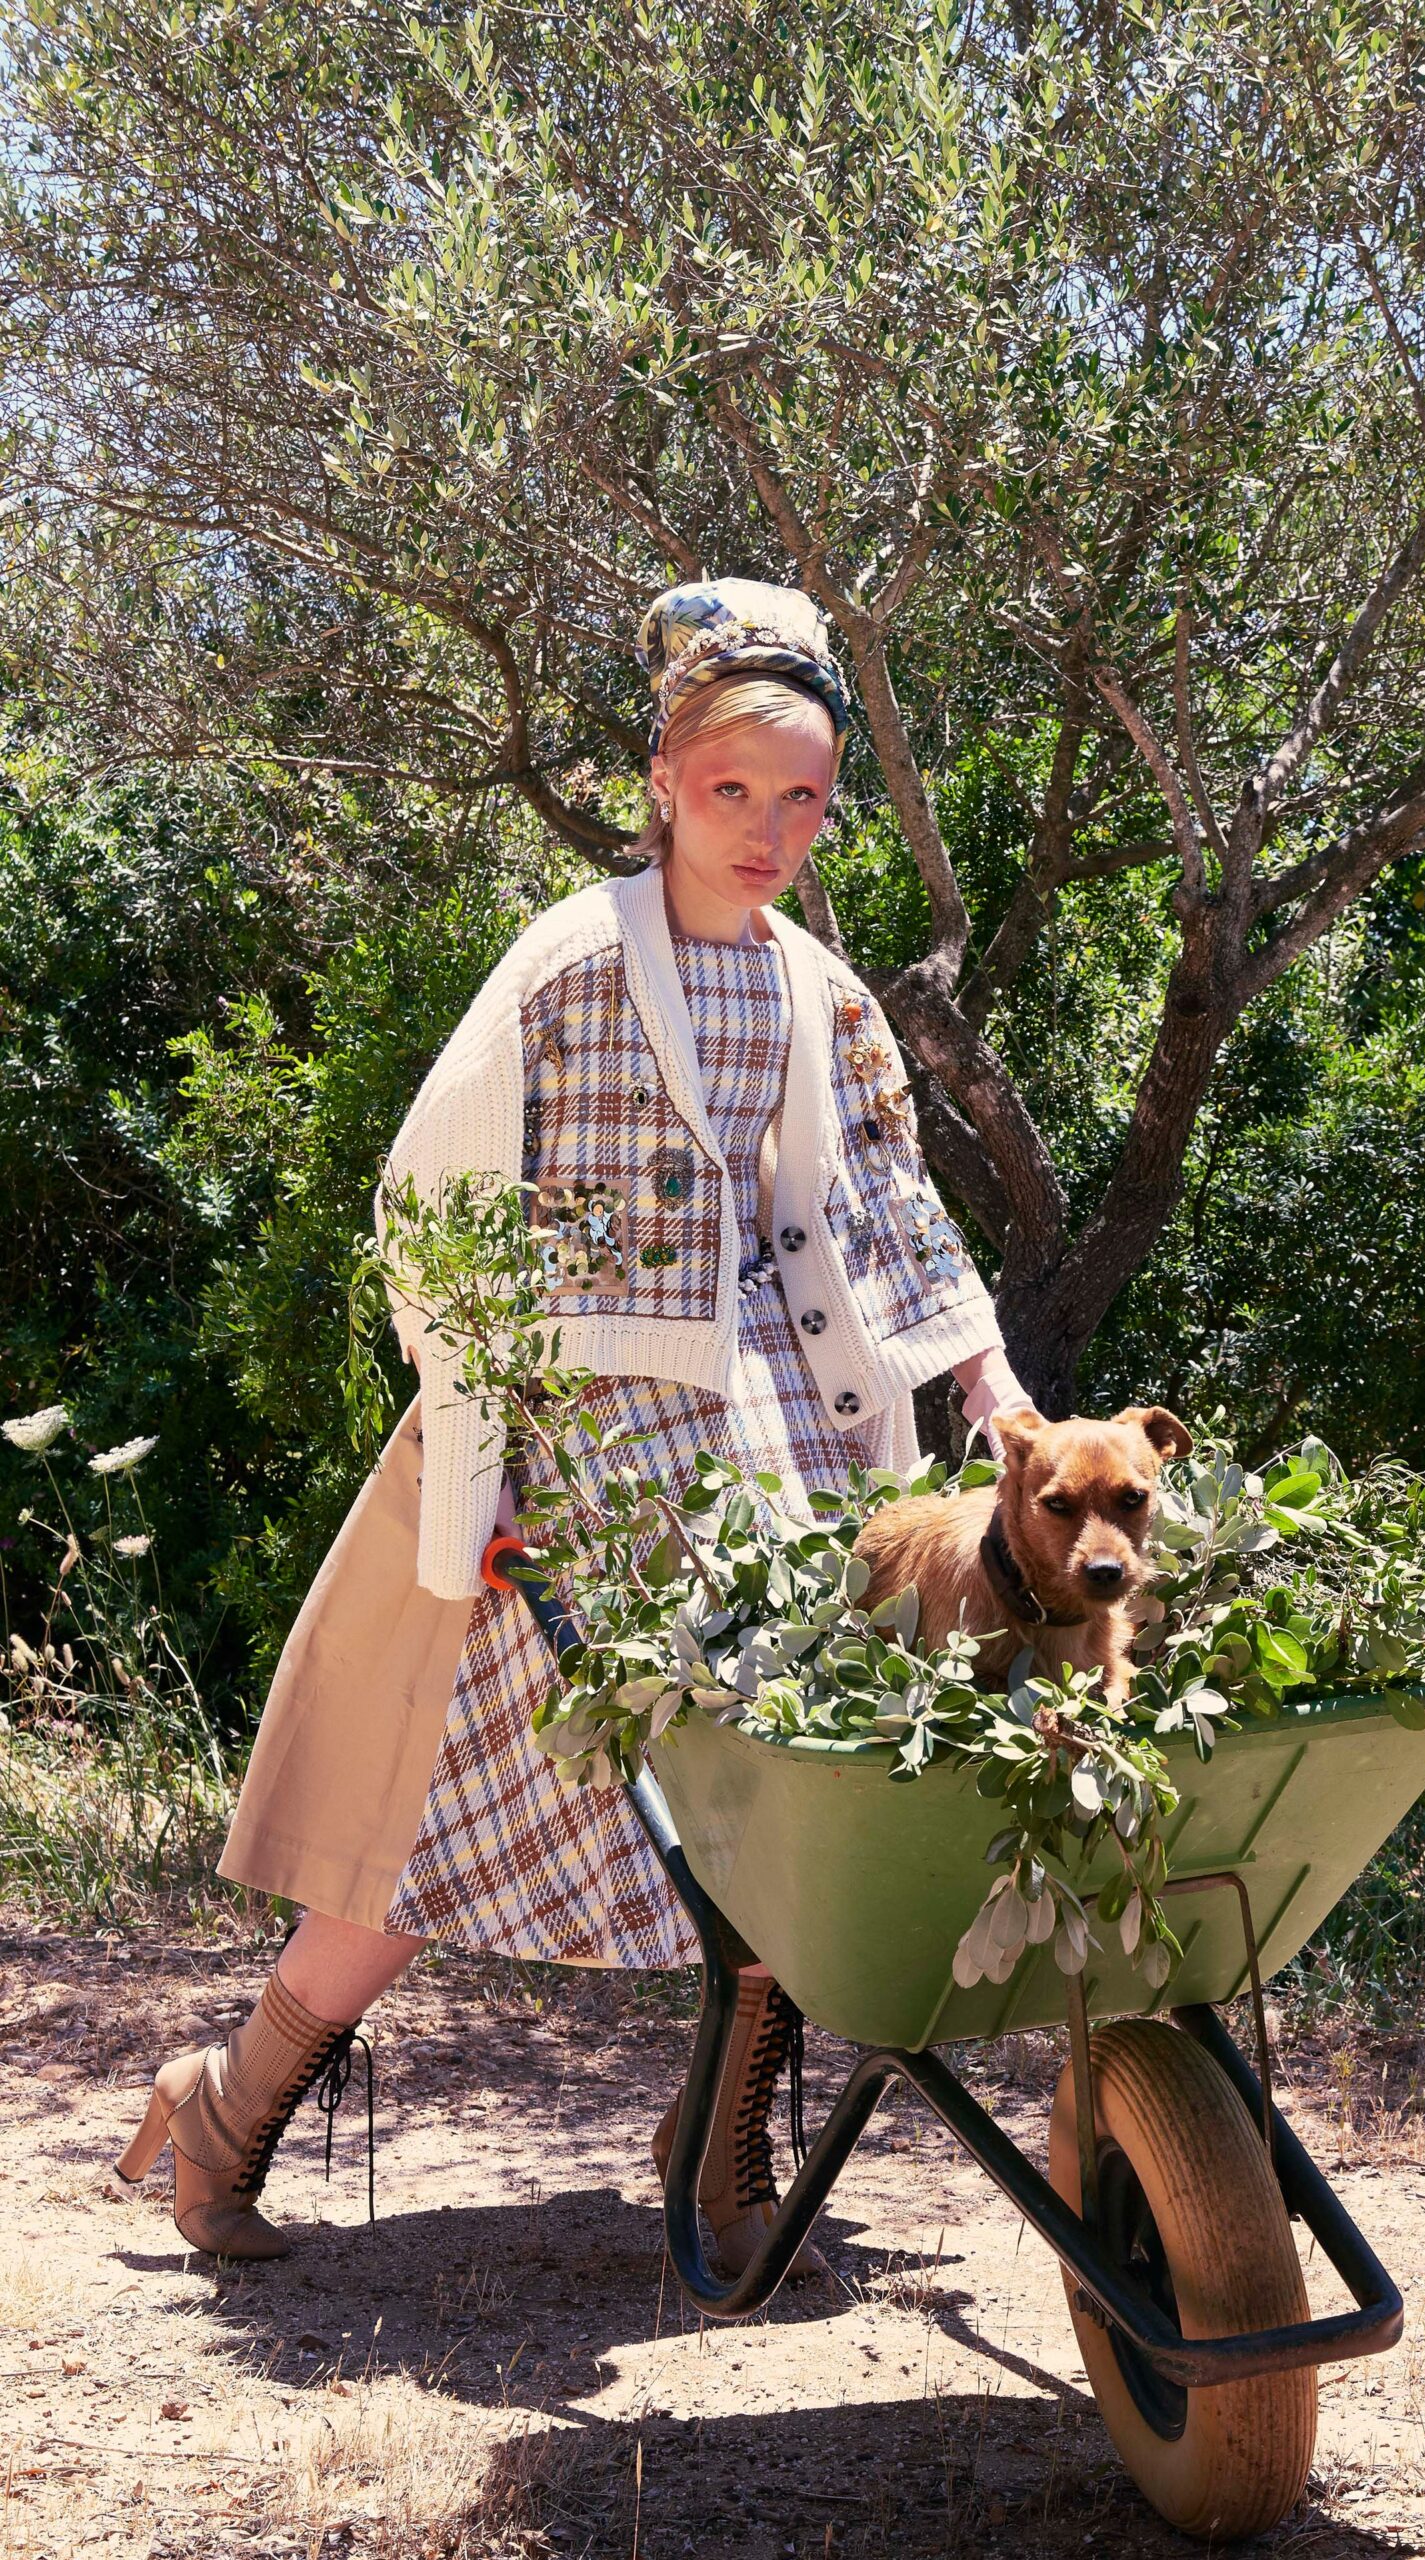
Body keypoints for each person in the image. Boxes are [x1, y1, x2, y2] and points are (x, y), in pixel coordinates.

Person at [116, 577, 1031, 2269]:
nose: (767, 829)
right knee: (439, 1832)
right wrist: (492, 1433)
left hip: (785, 1454)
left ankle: (724, 2150)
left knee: (791, 1790)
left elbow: (892, 1214)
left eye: (804, 796)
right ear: (667, 782)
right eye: (733, 789)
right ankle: (225, 2104)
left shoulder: (825, 993)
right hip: (582, 1463)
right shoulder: (563, 965)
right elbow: (433, 1200)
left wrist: (988, 1389)